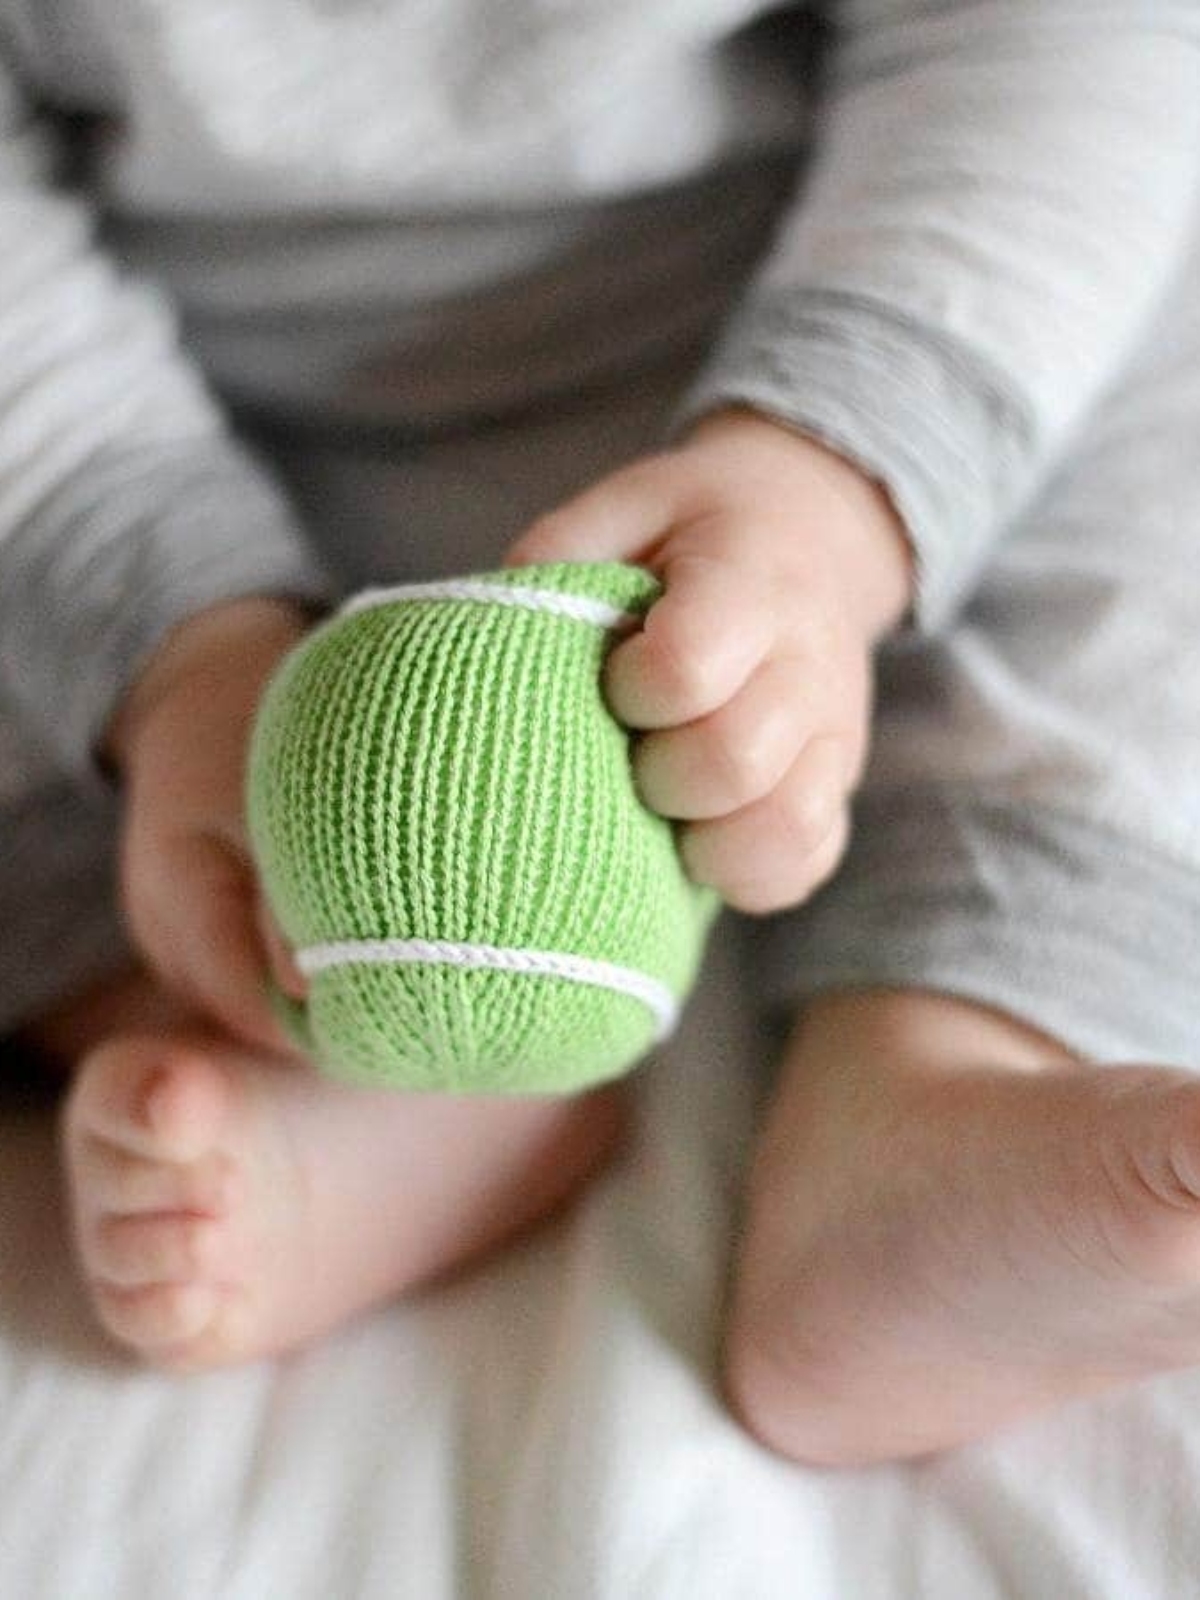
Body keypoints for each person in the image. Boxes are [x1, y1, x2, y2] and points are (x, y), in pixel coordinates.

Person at [2, 0, 1200, 1466]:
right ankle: (339, 1075)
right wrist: (171, 651)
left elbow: (1056, 42)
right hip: (173, 457)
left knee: (1152, 368)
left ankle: (943, 1066)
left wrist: (833, 481)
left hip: (836, 371)